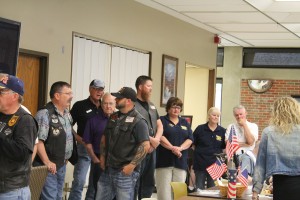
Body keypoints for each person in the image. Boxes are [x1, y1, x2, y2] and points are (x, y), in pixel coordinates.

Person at [96, 87, 150, 200]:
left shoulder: (139, 121)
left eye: (119, 98)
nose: (116, 100)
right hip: (108, 168)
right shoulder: (113, 117)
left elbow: (145, 146)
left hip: (125, 172)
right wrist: (102, 156)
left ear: (128, 101)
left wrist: (131, 166)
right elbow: (104, 138)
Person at [34, 81, 77, 199]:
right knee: (50, 197)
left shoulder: (67, 113)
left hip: (61, 164)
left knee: (58, 196)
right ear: (57, 96)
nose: (71, 96)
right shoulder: (44, 114)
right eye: (68, 93)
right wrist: (47, 162)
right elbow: (38, 142)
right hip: (48, 166)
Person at [252, 97, 300, 200]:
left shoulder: (269, 132)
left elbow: (260, 165)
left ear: (276, 112)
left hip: (282, 186)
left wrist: (256, 190)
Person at [0, 75, 38, 199]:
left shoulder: (25, 120)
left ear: (14, 96)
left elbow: (22, 153)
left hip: (11, 191)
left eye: (1, 92)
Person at [69, 79, 105, 200]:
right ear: (90, 89)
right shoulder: (80, 105)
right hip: (84, 148)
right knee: (79, 181)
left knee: (95, 183)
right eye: (96, 89)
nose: (99, 92)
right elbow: (66, 125)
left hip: (100, 150)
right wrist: (78, 138)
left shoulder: (105, 107)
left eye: (101, 89)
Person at [155, 97, 193, 200]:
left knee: (178, 194)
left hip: (180, 163)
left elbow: (190, 139)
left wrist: (180, 148)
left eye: (178, 107)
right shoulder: (162, 120)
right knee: (164, 193)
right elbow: (160, 136)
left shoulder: (185, 122)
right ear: (168, 108)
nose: (176, 109)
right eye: (173, 107)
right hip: (164, 163)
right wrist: (173, 148)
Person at [134, 75, 163, 200]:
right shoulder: (132, 105)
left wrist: (156, 140)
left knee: (149, 180)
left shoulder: (151, 105)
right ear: (140, 87)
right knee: (136, 179)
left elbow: (159, 125)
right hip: (139, 148)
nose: (151, 89)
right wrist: (151, 140)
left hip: (153, 149)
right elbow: (134, 127)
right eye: (149, 86)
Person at [82, 93, 116, 199]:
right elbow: (87, 143)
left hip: (117, 162)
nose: (108, 106)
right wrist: (95, 159)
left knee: (115, 192)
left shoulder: (121, 120)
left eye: (111, 103)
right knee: (97, 191)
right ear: (101, 104)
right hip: (98, 160)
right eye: (105, 103)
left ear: (115, 104)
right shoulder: (93, 120)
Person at [193, 107, 226, 189]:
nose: (216, 117)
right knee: (199, 189)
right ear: (208, 116)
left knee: (213, 189)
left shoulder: (222, 131)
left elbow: (224, 147)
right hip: (200, 163)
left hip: (215, 165)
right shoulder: (200, 129)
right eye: (214, 115)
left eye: (218, 116)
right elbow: (193, 144)